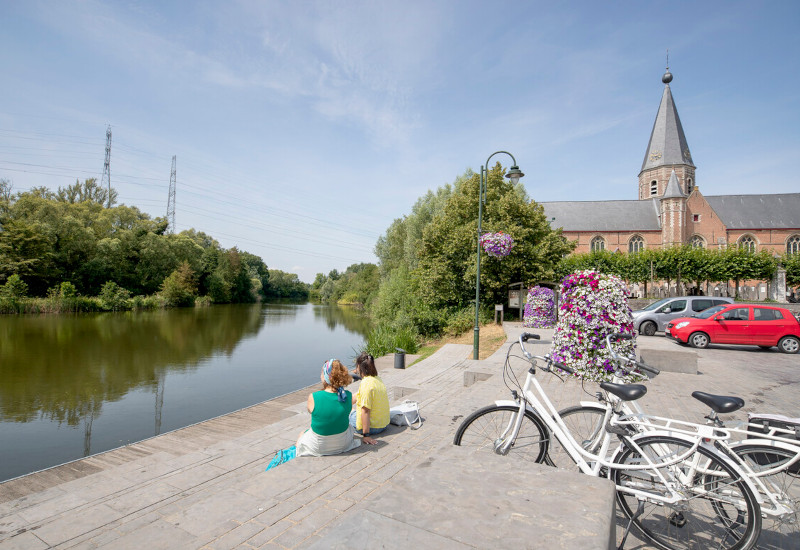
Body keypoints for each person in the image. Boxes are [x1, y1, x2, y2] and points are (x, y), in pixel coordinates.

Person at [295, 359, 369, 457]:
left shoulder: (313, 397)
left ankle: (297, 451)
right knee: (348, 428)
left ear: (326, 376)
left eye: (322, 372)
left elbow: (311, 411)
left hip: (319, 446)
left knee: (302, 434)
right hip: (343, 444)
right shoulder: (347, 396)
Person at [350, 352, 390, 445]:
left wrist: (366, 435)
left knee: (347, 410)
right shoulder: (377, 379)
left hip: (372, 428)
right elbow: (357, 396)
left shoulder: (366, 384)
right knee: (348, 403)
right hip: (383, 424)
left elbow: (366, 411)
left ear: (359, 367)